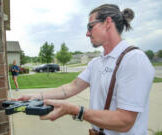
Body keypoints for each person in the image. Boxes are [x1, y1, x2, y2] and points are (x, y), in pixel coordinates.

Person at [15, 4, 155, 135]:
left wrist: (75, 110)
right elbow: (71, 87)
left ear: (107, 22)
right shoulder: (96, 62)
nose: (87, 34)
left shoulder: (133, 59)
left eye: (90, 26)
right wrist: (35, 97)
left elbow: (125, 121)